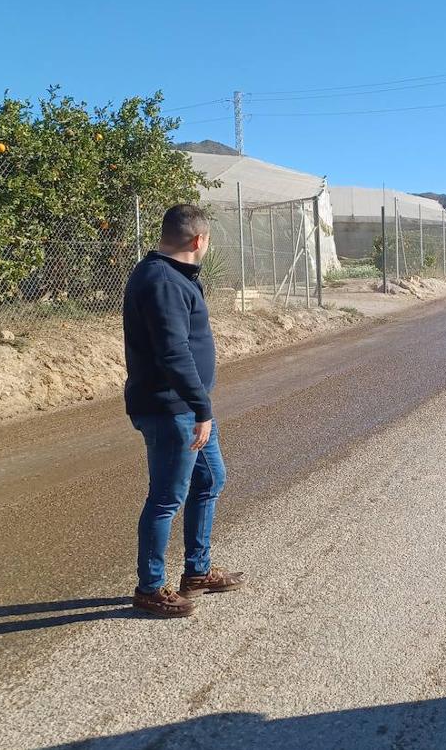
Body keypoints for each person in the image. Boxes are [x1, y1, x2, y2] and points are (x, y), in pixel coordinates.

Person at [123, 204, 245, 618]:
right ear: (199, 240)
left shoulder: (171, 277)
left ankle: (196, 570)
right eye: (207, 241)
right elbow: (173, 352)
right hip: (173, 409)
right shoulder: (162, 280)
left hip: (187, 408)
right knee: (166, 498)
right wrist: (200, 407)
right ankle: (150, 588)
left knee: (210, 478)